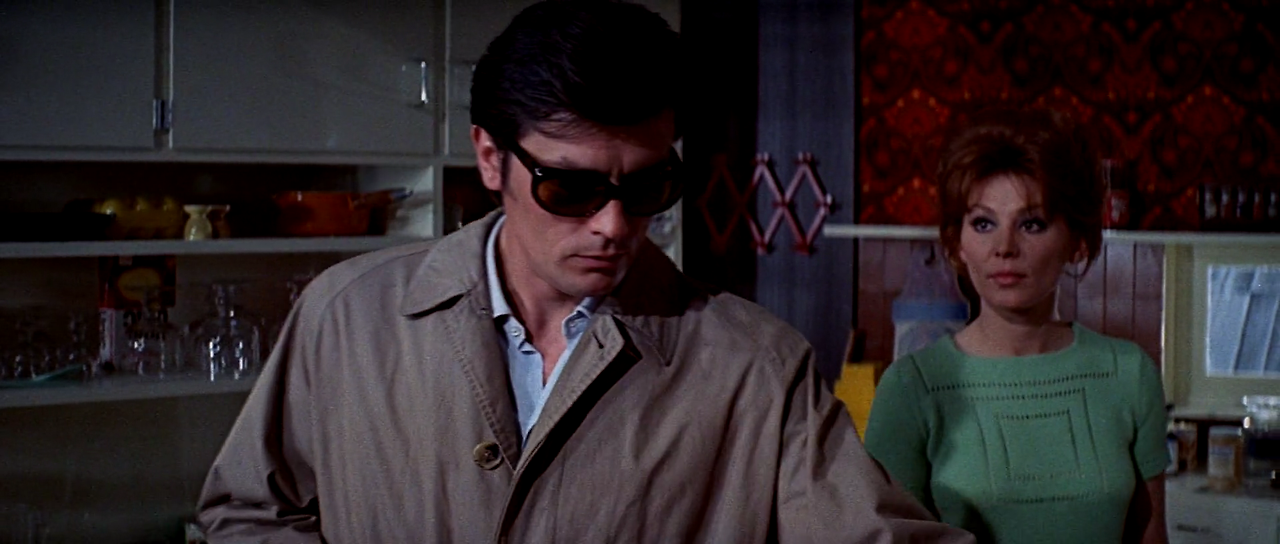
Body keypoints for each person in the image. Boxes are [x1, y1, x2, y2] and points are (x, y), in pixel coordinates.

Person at [195, 1, 974, 542]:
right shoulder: (346, 317)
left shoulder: (755, 366)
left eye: (648, 187)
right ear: (491, 158)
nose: (614, 225)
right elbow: (248, 511)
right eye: (570, 188)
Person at [863, 107, 1170, 543]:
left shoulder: (1128, 374)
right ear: (957, 243)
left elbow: (1151, 536)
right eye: (983, 223)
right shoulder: (913, 388)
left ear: (1076, 241)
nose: (1004, 246)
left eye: (1032, 224)